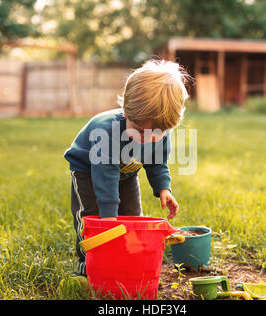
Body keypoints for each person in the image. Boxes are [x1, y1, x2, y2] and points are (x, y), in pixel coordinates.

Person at [64, 58, 190, 276]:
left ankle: (125, 256)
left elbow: (157, 162)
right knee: (94, 217)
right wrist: (109, 218)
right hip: (89, 171)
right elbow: (106, 176)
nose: (146, 139)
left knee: (132, 215)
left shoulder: (158, 132)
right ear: (125, 111)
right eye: (139, 131)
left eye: (156, 134)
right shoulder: (108, 132)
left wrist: (164, 189)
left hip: (126, 172)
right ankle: (88, 262)